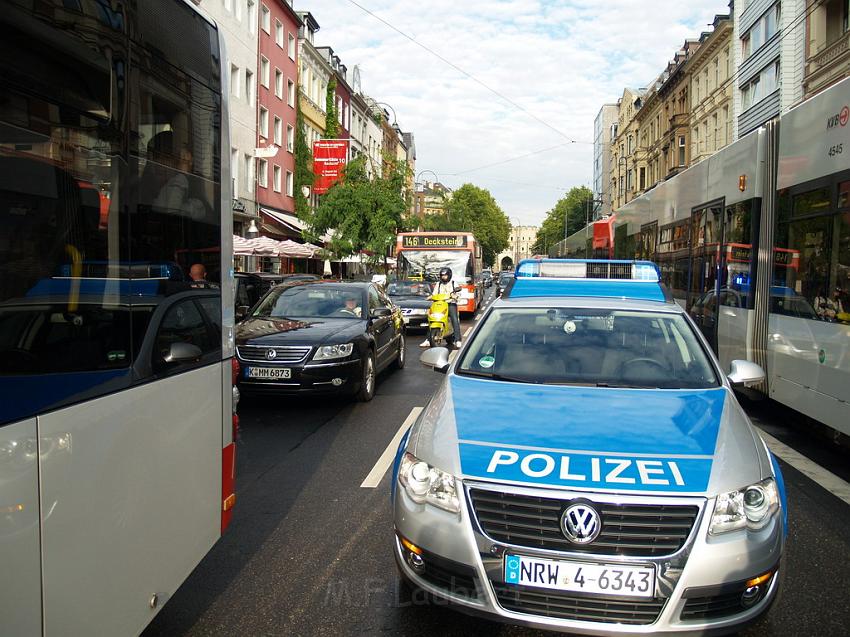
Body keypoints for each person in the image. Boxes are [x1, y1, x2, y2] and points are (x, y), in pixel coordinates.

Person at [421, 267, 462, 348]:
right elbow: (434, 293)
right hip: (439, 304)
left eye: (445, 276)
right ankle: (428, 340)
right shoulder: (438, 284)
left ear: (449, 275)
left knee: (454, 319)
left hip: (450, 304)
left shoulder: (454, 283)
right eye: (442, 276)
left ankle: (458, 340)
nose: (444, 277)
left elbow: (458, 294)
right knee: (431, 318)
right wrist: (430, 297)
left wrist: (455, 296)